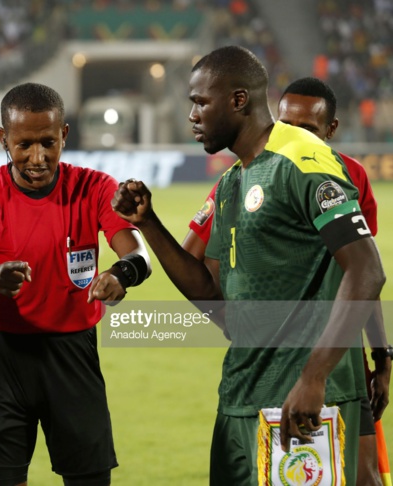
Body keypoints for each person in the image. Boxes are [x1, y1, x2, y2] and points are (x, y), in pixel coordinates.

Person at [112, 46, 386, 484]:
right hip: (241, 396)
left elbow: (367, 270)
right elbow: (207, 292)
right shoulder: (231, 181)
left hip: (301, 402)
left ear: (238, 100)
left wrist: (315, 377)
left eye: (201, 102)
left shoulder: (302, 158)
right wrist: (148, 223)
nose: (192, 115)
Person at [0, 82, 151, 486]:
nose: (38, 157)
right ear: (3, 139)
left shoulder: (95, 187)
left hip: (72, 354)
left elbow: (138, 254)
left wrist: (122, 275)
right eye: (24, 145)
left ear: (64, 135)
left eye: (49, 143)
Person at [183, 76, 391, 486]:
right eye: (285, 124)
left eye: (306, 128)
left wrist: (381, 356)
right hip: (279, 370)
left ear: (330, 130)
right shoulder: (243, 176)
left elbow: (359, 271)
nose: (292, 134)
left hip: (338, 361)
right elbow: (194, 259)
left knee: (365, 475)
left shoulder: (346, 175)